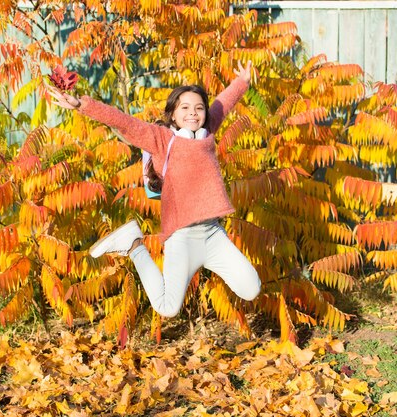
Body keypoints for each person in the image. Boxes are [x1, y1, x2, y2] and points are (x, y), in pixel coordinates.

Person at [47, 61, 261, 318]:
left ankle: (135, 245)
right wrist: (82, 105)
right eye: (185, 108)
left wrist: (243, 82)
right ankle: (134, 245)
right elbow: (124, 122)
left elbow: (222, 105)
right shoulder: (162, 139)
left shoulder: (206, 132)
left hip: (214, 235)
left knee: (251, 289)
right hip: (182, 238)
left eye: (198, 108)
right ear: (173, 114)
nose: (193, 113)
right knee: (167, 308)